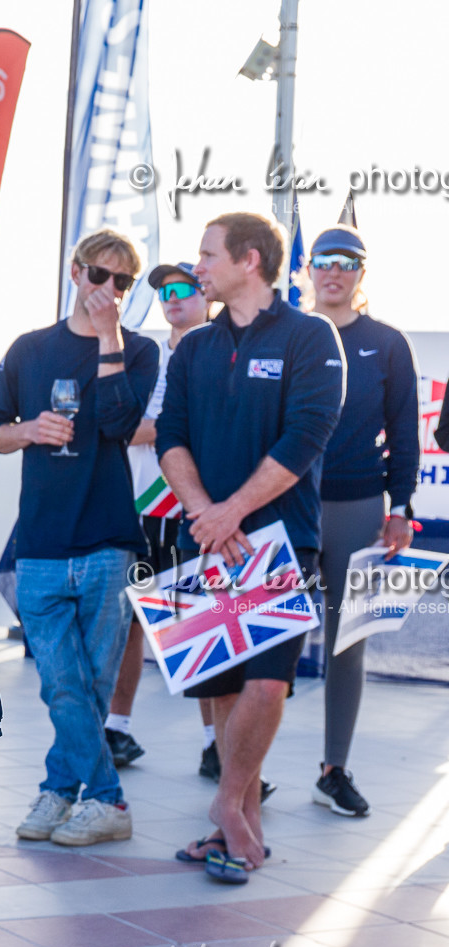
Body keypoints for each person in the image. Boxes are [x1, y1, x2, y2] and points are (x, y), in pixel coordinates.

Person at [158, 212, 344, 882]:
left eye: (207, 255)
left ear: (251, 260)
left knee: (269, 681)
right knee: (226, 684)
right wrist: (207, 514)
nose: (197, 266)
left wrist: (233, 510)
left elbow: (306, 436)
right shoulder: (193, 348)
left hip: (279, 542)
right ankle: (239, 824)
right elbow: (170, 436)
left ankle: (228, 801)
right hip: (206, 542)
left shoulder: (309, 335)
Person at [0, 229, 158, 848]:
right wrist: (29, 429)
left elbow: (120, 421)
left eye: (122, 282)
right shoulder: (30, 349)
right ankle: (107, 799)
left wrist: (109, 337)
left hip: (109, 540)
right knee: (61, 680)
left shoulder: (137, 351)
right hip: (41, 542)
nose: (107, 290)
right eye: (98, 275)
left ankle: (59, 789)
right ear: (76, 272)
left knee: (92, 683)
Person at [307, 225, 419, 818]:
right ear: (306, 268)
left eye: (347, 261)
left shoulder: (388, 342)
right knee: (261, 638)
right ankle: (239, 771)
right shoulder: (290, 335)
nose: (334, 270)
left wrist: (400, 509)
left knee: (347, 644)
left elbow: (404, 432)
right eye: (323, 259)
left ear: (361, 273)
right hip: (287, 506)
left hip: (357, 507)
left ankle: (334, 769)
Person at [105, 262, 208, 769]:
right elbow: (129, 427)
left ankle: (216, 744)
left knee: (202, 622)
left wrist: (160, 426)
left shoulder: (217, 351)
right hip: (143, 507)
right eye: (165, 290)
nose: (173, 296)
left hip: (200, 511)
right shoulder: (146, 354)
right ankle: (115, 728)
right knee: (131, 622)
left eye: (185, 288)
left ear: (207, 294)